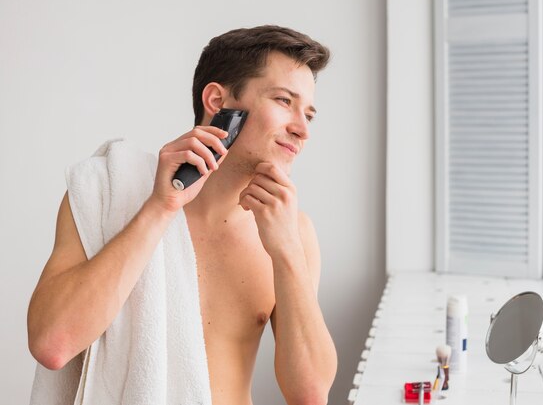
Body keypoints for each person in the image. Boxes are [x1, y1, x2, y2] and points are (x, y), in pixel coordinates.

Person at [27, 25, 337, 405]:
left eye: (309, 114)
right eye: (284, 101)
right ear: (218, 101)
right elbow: (51, 344)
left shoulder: (294, 232)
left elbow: (311, 394)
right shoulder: (110, 191)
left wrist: (287, 251)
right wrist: (159, 209)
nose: (302, 129)